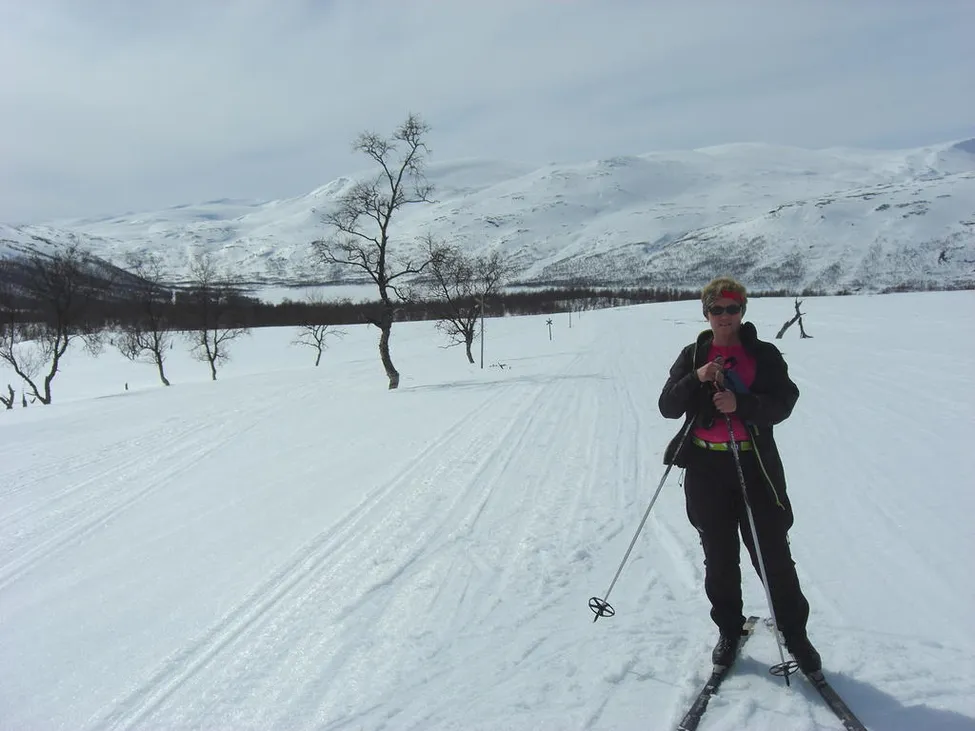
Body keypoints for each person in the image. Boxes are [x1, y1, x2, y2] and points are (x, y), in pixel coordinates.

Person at [658, 276, 822, 674]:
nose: (725, 316)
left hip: (753, 463)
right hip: (705, 466)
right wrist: (696, 377)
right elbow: (667, 406)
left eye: (733, 308)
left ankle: (794, 633)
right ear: (706, 313)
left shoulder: (762, 354)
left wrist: (742, 404)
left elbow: (784, 402)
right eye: (717, 309)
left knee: (772, 553)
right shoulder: (693, 354)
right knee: (719, 555)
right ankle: (729, 630)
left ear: (743, 312)